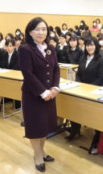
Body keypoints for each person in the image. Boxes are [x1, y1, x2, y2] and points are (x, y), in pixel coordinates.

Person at [19, 17, 60, 173]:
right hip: (34, 96)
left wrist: (55, 87)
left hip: (50, 94)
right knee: (35, 127)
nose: (41, 32)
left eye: (44, 29)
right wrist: (43, 92)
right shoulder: (25, 49)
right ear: (30, 32)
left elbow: (56, 68)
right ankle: (37, 155)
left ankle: (42, 151)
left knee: (44, 126)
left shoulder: (50, 47)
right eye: (37, 29)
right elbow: (27, 74)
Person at [74, 37, 103, 143]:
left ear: (96, 46)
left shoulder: (101, 60)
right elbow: (78, 73)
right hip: (82, 90)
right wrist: (79, 84)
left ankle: (97, 136)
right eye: (88, 45)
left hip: (94, 91)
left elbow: (101, 79)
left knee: (94, 115)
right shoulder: (83, 58)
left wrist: (87, 88)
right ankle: (75, 130)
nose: (90, 47)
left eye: (92, 45)